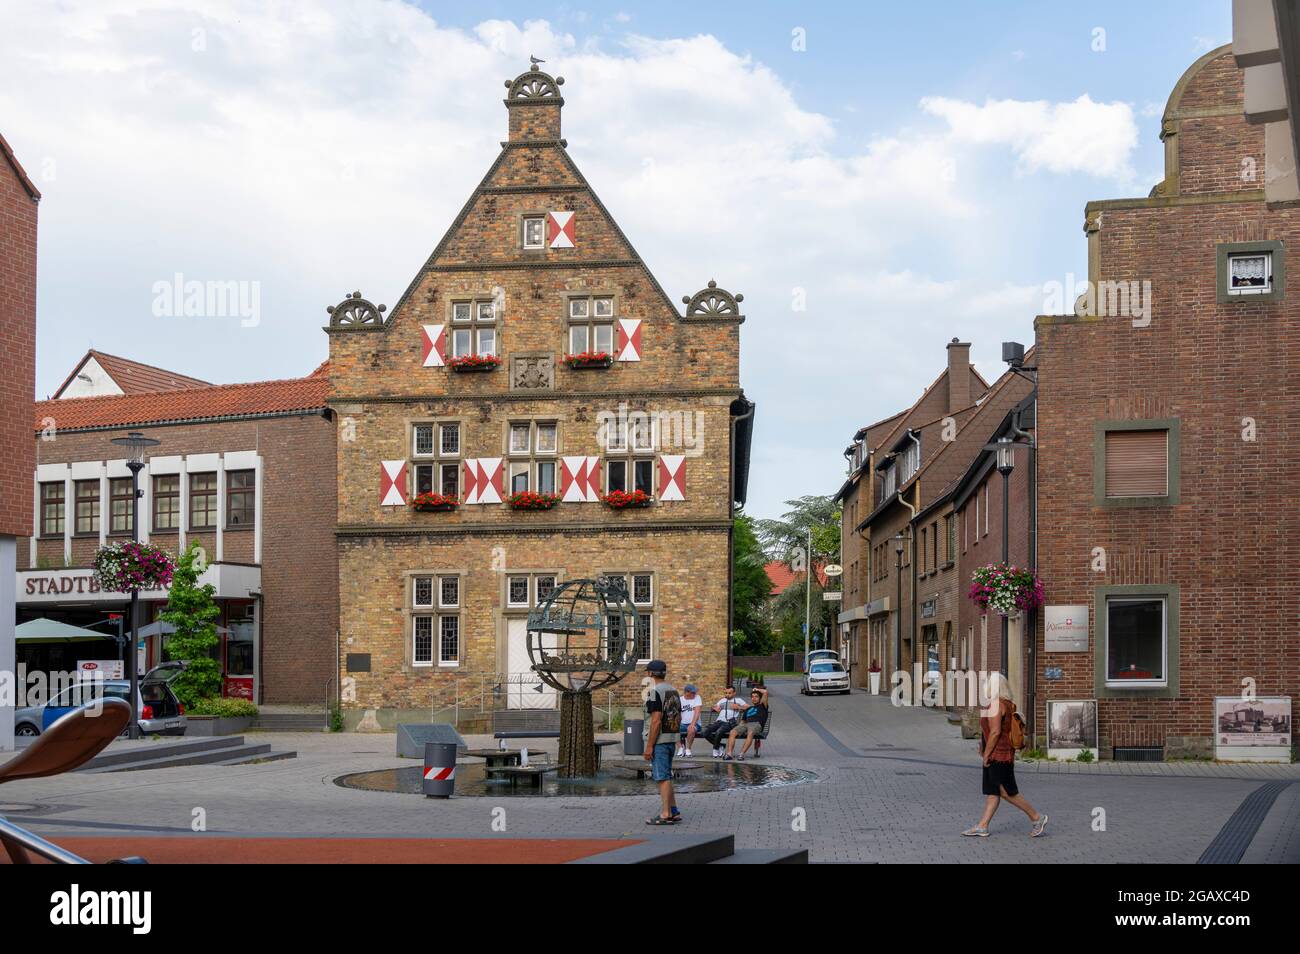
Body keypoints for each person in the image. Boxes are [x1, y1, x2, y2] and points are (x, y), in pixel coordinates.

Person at [963, 672, 1048, 838]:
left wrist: (987, 754)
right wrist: (983, 744)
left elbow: (995, 732)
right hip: (1003, 753)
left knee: (1006, 792)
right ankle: (982, 826)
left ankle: (1037, 817)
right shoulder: (1008, 704)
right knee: (993, 791)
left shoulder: (996, 704)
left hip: (998, 755)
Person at [643, 659, 682, 825]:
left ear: (651, 673)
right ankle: (673, 810)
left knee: (661, 778)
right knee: (666, 775)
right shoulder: (673, 690)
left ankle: (665, 814)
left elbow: (656, 720)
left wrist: (649, 745)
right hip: (672, 738)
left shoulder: (653, 692)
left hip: (659, 741)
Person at [724, 687, 769, 761]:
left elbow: (765, 692)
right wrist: (738, 729)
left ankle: (741, 754)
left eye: (756, 697)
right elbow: (743, 721)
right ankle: (729, 754)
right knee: (732, 732)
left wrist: (757, 690)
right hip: (745, 724)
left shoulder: (763, 706)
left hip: (756, 724)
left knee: (750, 732)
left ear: (760, 698)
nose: (754, 698)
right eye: (752, 697)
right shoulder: (748, 709)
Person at [703, 685, 746, 757]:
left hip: (729, 723)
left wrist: (738, 707)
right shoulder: (722, 700)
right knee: (705, 732)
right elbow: (714, 707)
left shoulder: (738, 700)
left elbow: (749, 707)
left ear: (734, 693)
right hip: (719, 721)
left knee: (719, 732)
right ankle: (720, 746)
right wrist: (714, 708)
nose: (727, 695)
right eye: (726, 693)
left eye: (729, 693)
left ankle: (715, 749)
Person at [677, 683, 704, 757]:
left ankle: (688, 749)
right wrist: (677, 723)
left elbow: (697, 712)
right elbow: (677, 713)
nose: (695, 694)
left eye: (695, 692)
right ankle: (680, 748)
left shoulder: (697, 697)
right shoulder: (680, 699)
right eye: (693, 692)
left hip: (695, 724)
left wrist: (692, 724)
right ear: (687, 692)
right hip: (682, 724)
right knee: (671, 729)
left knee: (691, 729)